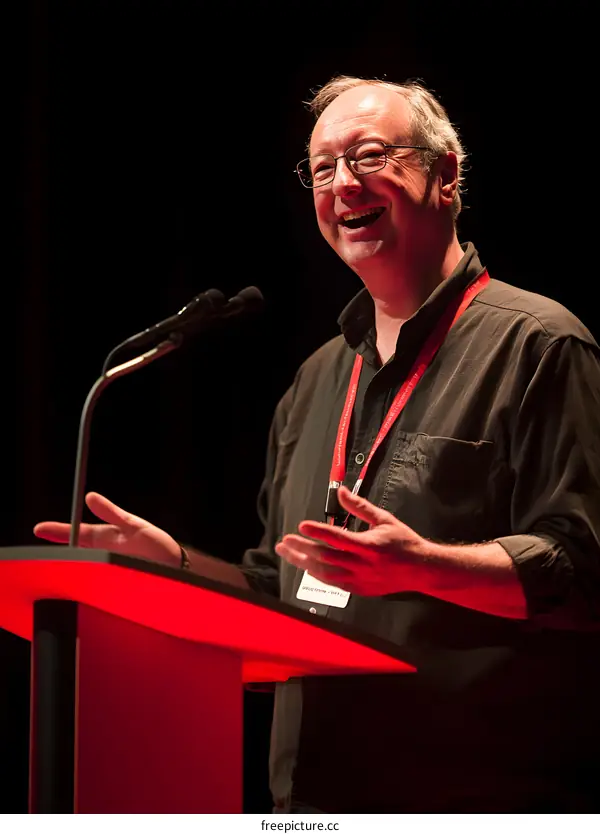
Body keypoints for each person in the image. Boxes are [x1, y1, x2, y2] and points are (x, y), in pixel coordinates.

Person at [35, 75, 600, 812]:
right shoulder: (315, 380)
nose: (342, 184)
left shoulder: (539, 344)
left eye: (368, 156)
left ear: (446, 174)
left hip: (470, 798)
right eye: (322, 167)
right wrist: (172, 566)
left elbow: (582, 571)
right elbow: (284, 591)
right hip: (314, 803)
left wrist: (424, 567)